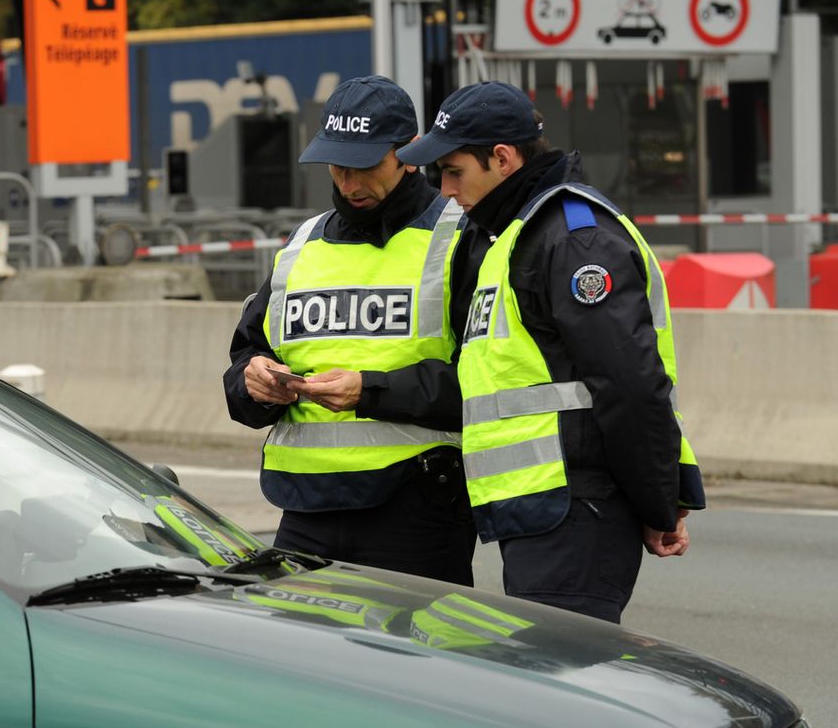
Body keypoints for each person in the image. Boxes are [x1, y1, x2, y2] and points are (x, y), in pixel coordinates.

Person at [396, 80, 705, 623]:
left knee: (566, 687)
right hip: (543, 511)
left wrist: (659, 500)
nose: (444, 189)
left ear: (503, 158)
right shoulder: (512, 234)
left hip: (576, 510)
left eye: (453, 171)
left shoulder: (572, 238)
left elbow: (629, 384)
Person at [224, 75, 476, 585]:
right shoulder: (302, 245)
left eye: (365, 167)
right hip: (305, 510)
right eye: (338, 166)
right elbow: (244, 363)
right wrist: (255, 383)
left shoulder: (461, 238)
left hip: (417, 511)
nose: (349, 184)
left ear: (408, 152)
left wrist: (371, 391)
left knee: (419, 664)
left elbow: (491, 383)